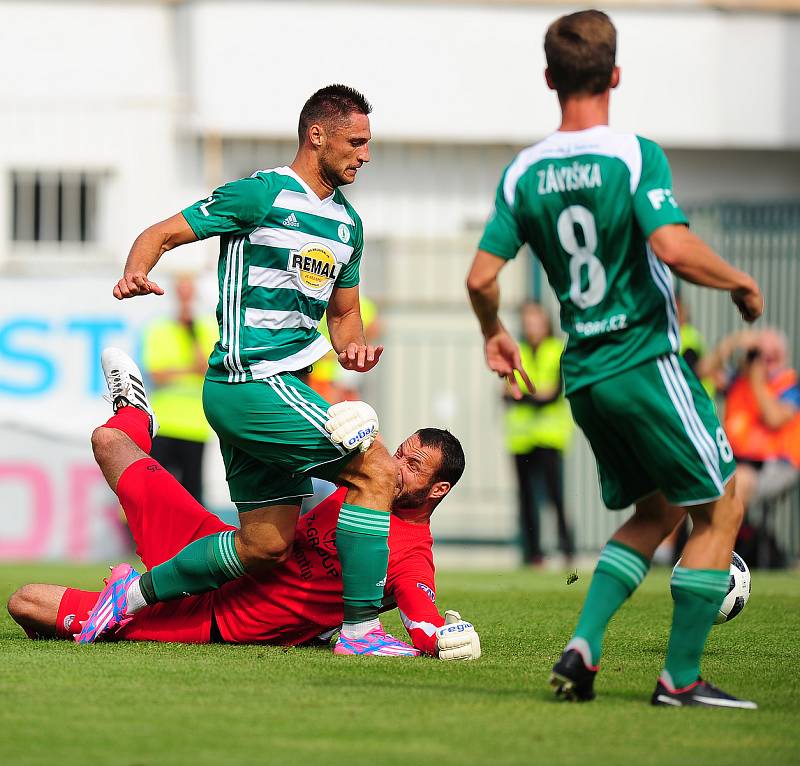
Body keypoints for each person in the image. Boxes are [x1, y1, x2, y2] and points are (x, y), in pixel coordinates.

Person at [466, 9, 763, 708]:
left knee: (657, 511)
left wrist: (493, 332)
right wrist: (742, 282)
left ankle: (583, 648)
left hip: (587, 375)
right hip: (643, 356)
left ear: (549, 78)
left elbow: (481, 277)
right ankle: (679, 680)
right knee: (722, 505)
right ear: (616, 75)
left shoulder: (523, 172)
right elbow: (671, 246)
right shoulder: (634, 154)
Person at [81, 85, 403, 656]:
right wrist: (136, 271)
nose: (366, 154)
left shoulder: (347, 225)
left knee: (264, 546)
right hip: (250, 380)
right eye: (357, 141)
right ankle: (359, 630)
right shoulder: (263, 193)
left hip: (281, 388)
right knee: (377, 470)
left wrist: (351, 349)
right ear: (317, 135)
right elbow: (162, 233)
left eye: (369, 143)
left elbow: (345, 315)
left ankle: (130, 596)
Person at [7, 375, 479, 660]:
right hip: (226, 549)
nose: (396, 467)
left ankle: (124, 599)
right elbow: (317, 443)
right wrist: (352, 418)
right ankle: (135, 412)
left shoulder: (412, 555)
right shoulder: (368, 484)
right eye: (400, 453)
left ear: (438, 490)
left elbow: (423, 621)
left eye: (412, 465)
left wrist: (445, 639)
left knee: (25, 601)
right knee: (108, 442)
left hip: (221, 616)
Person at [503, 300, 573, 564]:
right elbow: (506, 393)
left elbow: (552, 394)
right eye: (528, 321)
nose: (532, 326)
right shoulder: (515, 351)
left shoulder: (556, 350)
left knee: (555, 495)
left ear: (546, 323)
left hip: (549, 435)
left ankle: (567, 548)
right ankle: (533, 554)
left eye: (537, 320)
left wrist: (522, 395)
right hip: (521, 437)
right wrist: (531, 395)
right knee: (526, 497)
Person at [141, 274, 217, 504]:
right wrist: (189, 370)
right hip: (164, 423)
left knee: (192, 494)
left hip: (195, 425)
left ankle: (189, 540)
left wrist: (192, 338)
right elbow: (157, 374)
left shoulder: (207, 329)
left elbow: (210, 368)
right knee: (155, 490)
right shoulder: (159, 329)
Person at [720, 329, 800, 511]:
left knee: (736, 483)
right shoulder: (741, 380)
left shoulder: (790, 386)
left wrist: (757, 379)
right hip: (739, 459)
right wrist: (733, 343)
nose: (764, 361)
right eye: (759, 354)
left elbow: (774, 418)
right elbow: (704, 372)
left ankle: (726, 538)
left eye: (771, 356)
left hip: (777, 464)